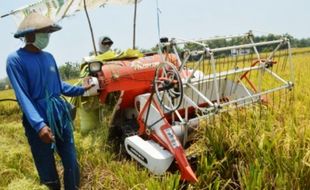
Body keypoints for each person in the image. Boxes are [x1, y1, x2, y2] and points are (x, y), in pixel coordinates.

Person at [6, 12, 93, 190]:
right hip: (39, 118)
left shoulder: (49, 57)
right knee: (46, 164)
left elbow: (59, 86)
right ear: (29, 35)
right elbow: (23, 96)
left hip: (60, 115)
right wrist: (39, 125)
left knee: (70, 158)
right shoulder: (15, 60)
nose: (47, 36)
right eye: (43, 32)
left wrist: (82, 89)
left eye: (48, 32)